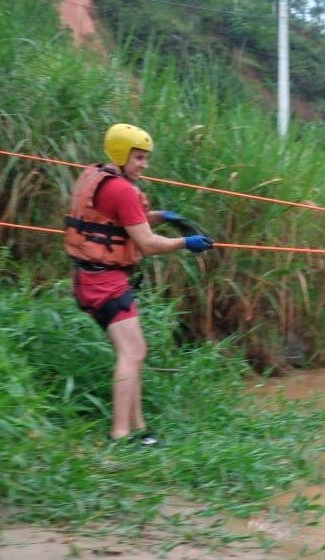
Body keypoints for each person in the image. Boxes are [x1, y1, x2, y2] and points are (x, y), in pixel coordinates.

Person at [64, 123, 214, 444]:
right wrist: (185, 242)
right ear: (120, 154)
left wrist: (165, 216)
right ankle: (121, 434)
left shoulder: (100, 177)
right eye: (139, 158)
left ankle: (140, 429)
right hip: (103, 282)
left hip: (90, 278)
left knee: (135, 351)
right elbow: (146, 243)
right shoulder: (121, 188)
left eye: (146, 158)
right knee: (131, 352)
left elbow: (123, 219)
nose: (145, 165)